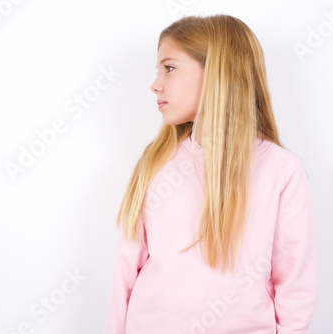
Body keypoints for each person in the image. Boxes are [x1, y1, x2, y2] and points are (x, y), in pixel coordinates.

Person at [104, 14, 317, 334]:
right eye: (157, 70)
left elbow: (294, 285)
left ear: (218, 73)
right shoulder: (156, 161)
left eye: (170, 68)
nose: (155, 84)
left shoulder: (281, 171)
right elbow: (125, 272)